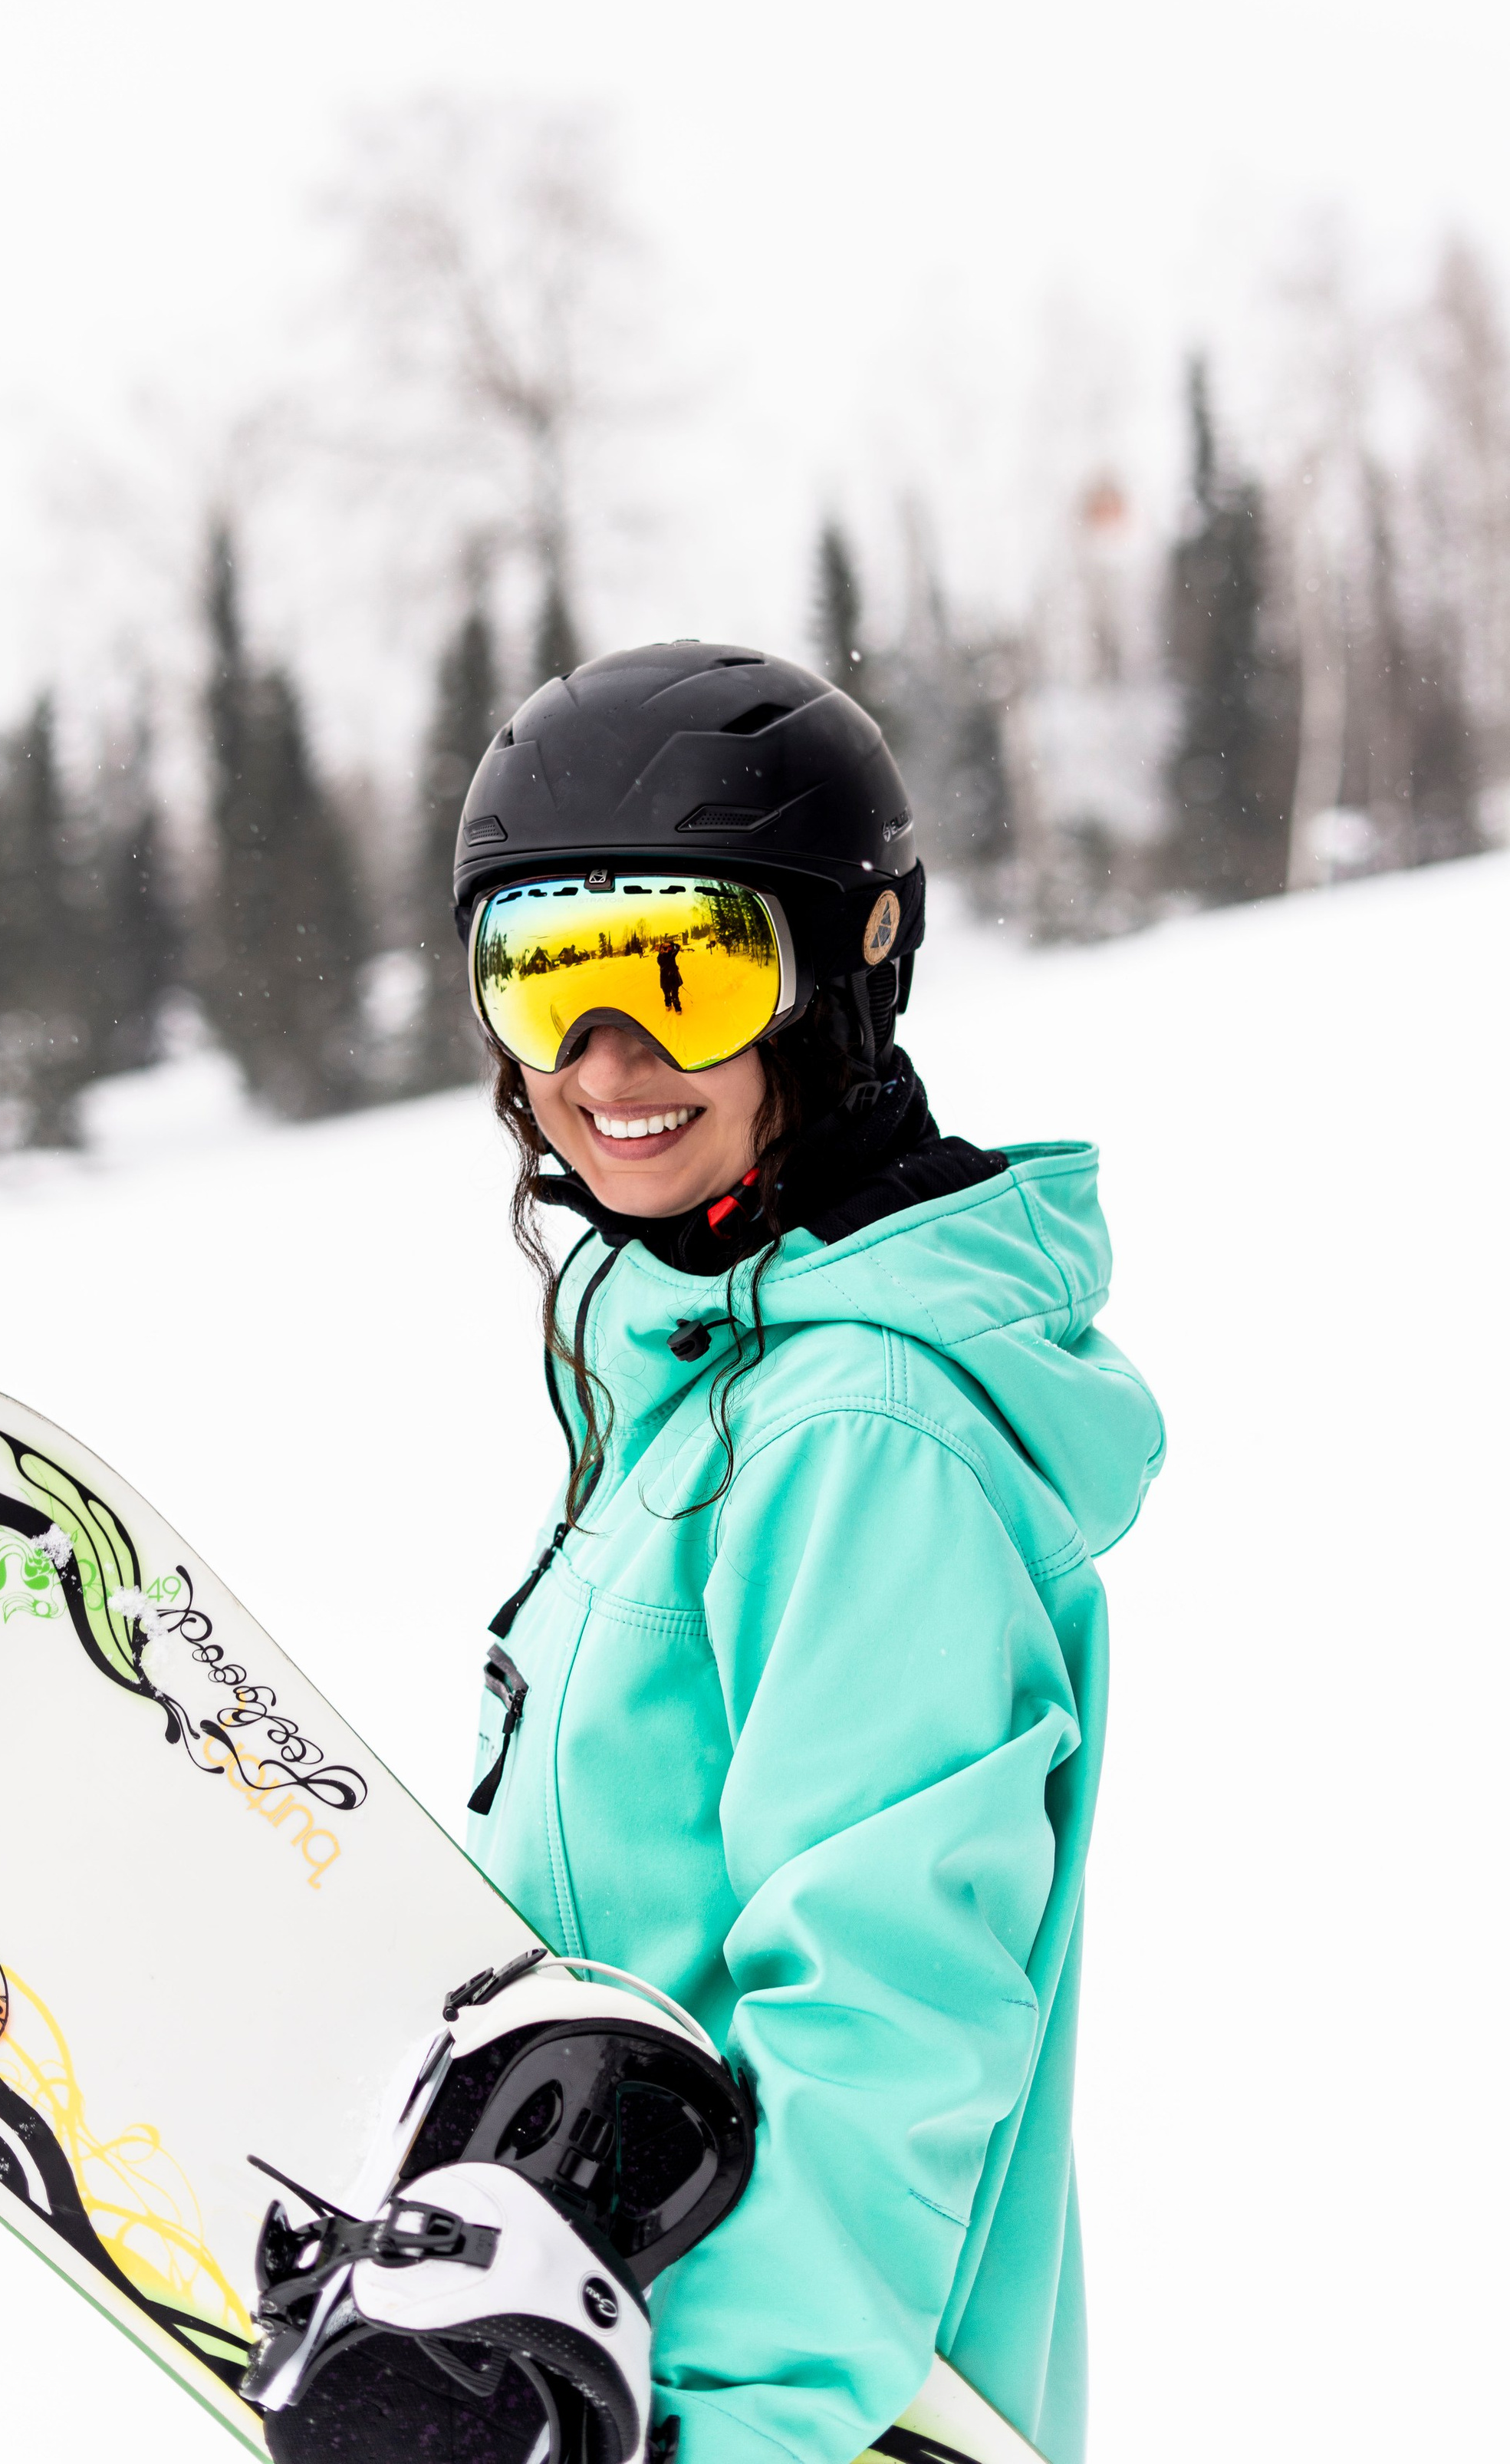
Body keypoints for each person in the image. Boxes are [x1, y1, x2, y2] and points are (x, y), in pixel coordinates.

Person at [453, 641, 1163, 2464]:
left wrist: (719, 2430)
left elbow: (882, 2025)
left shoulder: (856, 1440)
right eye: (541, 982)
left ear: (843, 972)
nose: (605, 1060)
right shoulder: (701, 1382)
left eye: (680, 975)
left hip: (792, 2415)